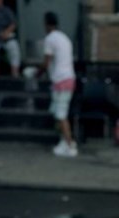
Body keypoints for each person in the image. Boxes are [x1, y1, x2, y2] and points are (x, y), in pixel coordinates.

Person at [42, 11, 77, 158]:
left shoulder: (50, 39)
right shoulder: (65, 38)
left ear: (47, 24)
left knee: (61, 114)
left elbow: (46, 62)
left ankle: (69, 145)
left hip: (60, 81)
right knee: (57, 112)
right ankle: (64, 140)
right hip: (68, 78)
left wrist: (35, 73)